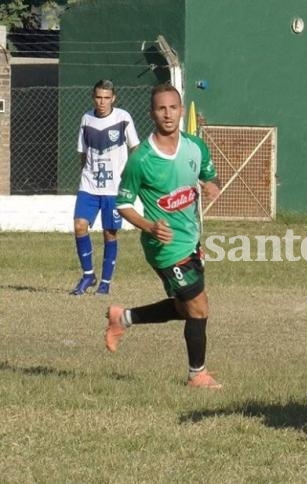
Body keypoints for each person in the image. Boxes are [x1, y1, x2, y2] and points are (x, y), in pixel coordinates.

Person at [104, 84, 222, 389]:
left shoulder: (196, 147)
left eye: (173, 107)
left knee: (186, 309)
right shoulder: (141, 159)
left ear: (181, 111)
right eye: (161, 108)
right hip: (164, 246)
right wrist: (149, 226)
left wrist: (213, 186)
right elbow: (124, 203)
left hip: (191, 241)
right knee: (199, 307)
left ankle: (123, 318)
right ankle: (197, 375)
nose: (167, 114)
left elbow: (210, 176)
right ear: (151, 113)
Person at [71, 80, 140, 295]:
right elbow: (83, 153)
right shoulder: (86, 119)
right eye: (98, 97)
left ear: (113, 98)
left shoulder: (122, 118)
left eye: (106, 97)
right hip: (89, 185)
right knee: (79, 226)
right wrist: (86, 174)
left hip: (114, 188)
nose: (102, 102)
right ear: (93, 97)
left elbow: (135, 148)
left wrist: (129, 175)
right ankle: (88, 275)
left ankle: (105, 283)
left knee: (109, 233)